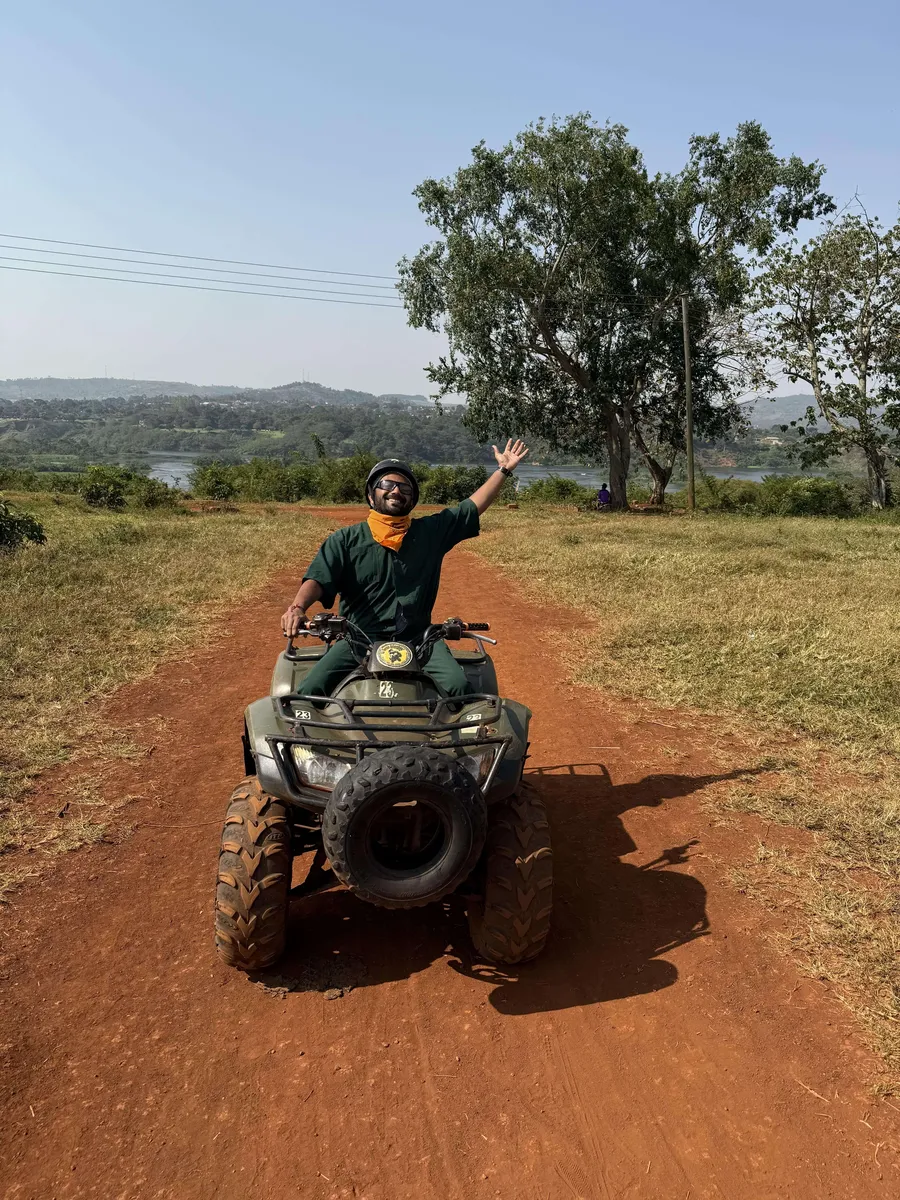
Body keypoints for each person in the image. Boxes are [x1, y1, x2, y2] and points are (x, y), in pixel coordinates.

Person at [280, 439, 529, 698]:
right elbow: (318, 578)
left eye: (405, 487)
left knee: (460, 689)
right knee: (309, 691)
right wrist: (297, 608)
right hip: (357, 640)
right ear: (370, 494)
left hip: (420, 640)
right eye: (387, 484)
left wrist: (503, 471)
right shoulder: (345, 540)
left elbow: (471, 508)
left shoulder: (430, 533)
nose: (396, 491)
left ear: (412, 499)